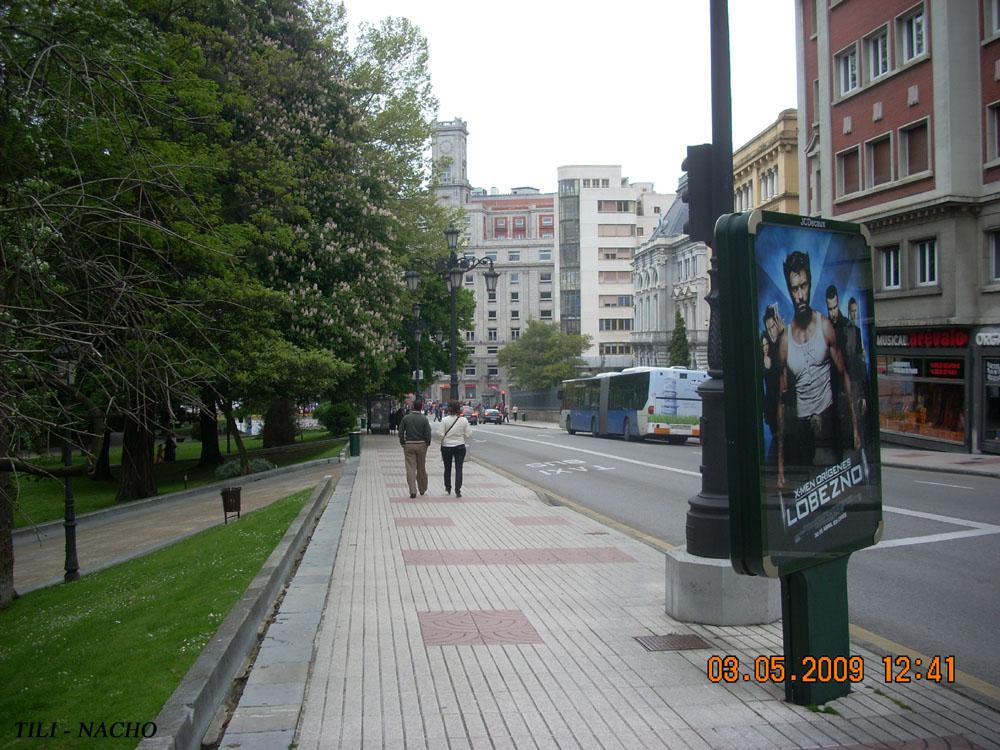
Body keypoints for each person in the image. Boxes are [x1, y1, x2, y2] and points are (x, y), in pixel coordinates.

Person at [775, 251, 860, 488]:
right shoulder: (785, 341)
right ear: (789, 290)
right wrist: (780, 467)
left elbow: (844, 376)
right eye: (795, 289)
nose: (800, 295)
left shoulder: (825, 326)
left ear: (810, 283)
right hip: (801, 431)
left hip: (828, 422)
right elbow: (781, 403)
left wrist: (855, 429)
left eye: (803, 286)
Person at [398, 399, 431, 497]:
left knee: (410, 468)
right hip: (421, 445)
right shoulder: (424, 419)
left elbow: (400, 431)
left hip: (409, 444)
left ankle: (412, 490)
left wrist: (403, 442)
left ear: (412, 407)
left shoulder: (406, 418)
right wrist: (427, 443)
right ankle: (422, 488)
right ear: (421, 407)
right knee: (421, 467)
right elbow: (428, 433)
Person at [439, 400, 472, 497]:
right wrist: (461, 437)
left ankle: (448, 487)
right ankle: (458, 489)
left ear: (449, 409)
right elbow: (468, 434)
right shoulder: (464, 420)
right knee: (459, 468)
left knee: (447, 468)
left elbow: (440, 434)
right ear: (459, 409)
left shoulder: (444, 420)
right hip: (460, 446)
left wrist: (445, 438)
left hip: (446, 446)